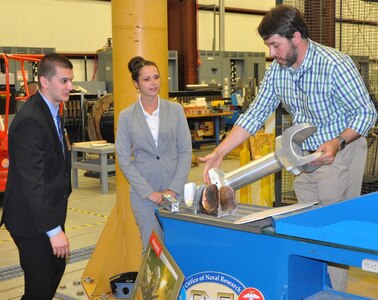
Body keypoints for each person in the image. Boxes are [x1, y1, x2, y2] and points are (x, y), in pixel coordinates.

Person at [200, 4, 377, 291]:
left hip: (339, 153)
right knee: (306, 227)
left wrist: (337, 142)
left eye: (275, 45)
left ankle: (332, 294)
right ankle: (311, 290)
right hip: (303, 156)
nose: (271, 53)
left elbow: (366, 113)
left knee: (330, 229)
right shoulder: (279, 71)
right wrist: (220, 152)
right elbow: (255, 114)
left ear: (296, 37)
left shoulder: (334, 65)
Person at [0, 53, 73, 299]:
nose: (70, 86)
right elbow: (33, 182)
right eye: (64, 81)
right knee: (40, 286)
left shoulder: (50, 111)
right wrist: (54, 231)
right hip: (30, 220)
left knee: (56, 268)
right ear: (44, 81)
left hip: (48, 211)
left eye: (70, 80)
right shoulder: (31, 120)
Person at [116, 56, 192, 252]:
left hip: (176, 193)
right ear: (136, 84)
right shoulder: (126, 116)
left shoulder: (175, 110)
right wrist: (149, 193)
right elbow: (123, 159)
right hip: (144, 196)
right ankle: (153, 285)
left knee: (179, 248)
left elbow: (185, 152)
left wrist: (173, 189)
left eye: (156, 77)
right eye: (147, 79)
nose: (153, 83)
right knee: (153, 250)